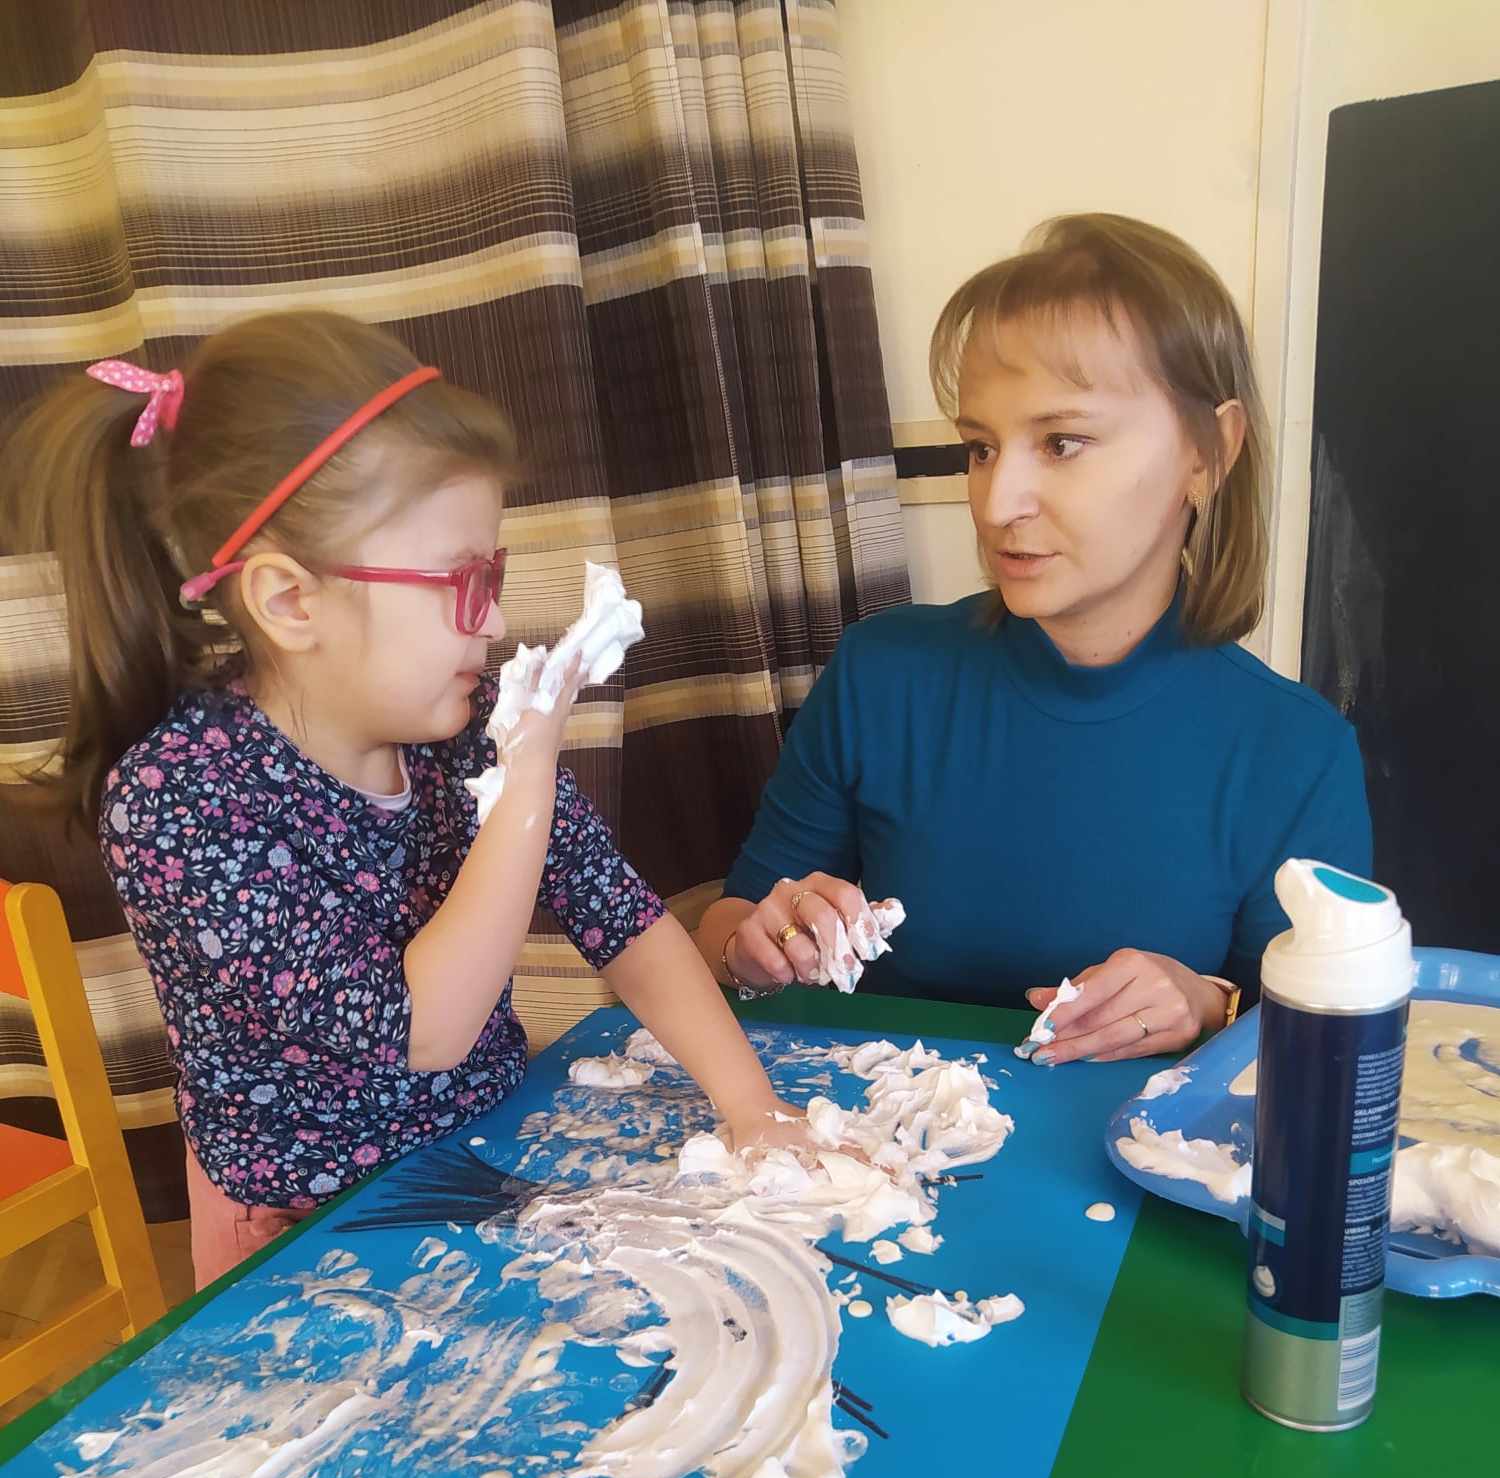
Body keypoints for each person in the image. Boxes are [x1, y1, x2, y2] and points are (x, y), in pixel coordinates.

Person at [3, 311, 800, 1286]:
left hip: (478, 1156)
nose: (494, 620)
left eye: (492, 574)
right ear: (291, 601)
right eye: (462, 582)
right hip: (300, 1232)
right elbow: (422, 1029)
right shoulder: (181, 800)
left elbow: (624, 920)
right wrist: (525, 785)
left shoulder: (458, 734)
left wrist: (752, 1106)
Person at [695, 214, 1372, 1063]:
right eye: (980, 448)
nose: (996, 502)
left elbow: (1326, 1046)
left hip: (1131, 1143)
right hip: (873, 1128)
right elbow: (729, 925)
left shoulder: (1297, 752)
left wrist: (1207, 1001)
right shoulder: (882, 674)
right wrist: (756, 944)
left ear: (1209, 452)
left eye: (1061, 443)